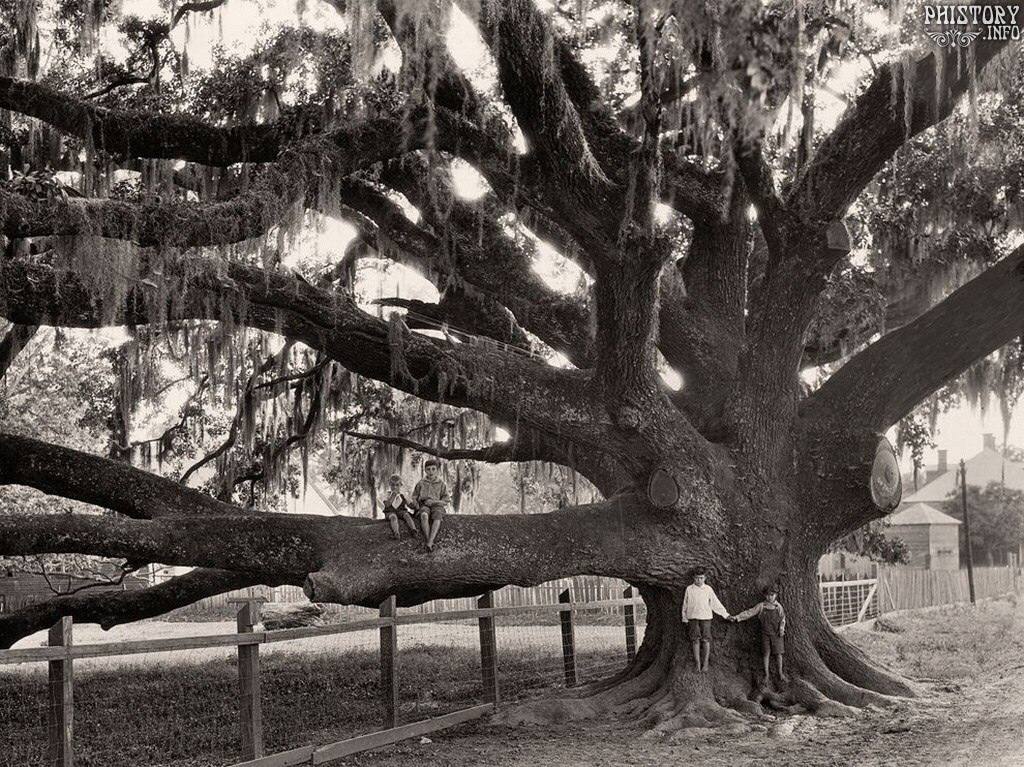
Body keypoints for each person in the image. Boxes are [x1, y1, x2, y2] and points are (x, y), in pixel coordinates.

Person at [729, 586, 787, 683]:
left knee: (779, 654)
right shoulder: (761, 606)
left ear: (776, 595)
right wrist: (737, 617)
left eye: (772, 595)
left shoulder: (778, 607)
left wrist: (782, 629)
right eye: (767, 595)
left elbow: (782, 619)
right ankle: (766, 674)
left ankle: (780, 673)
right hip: (765, 634)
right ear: (765, 595)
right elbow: (750, 612)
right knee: (766, 654)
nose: (770, 597)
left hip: (777, 634)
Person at [681, 567, 731, 672]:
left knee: (706, 640)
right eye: (697, 578)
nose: (699, 580)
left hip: (706, 618)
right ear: (693, 578)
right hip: (693, 618)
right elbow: (685, 604)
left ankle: (706, 663)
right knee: (695, 640)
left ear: (705, 578)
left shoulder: (708, 589)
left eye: (701, 578)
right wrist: (684, 618)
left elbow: (715, 603)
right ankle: (697, 663)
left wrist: (725, 614)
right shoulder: (689, 589)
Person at [411, 458, 451, 551]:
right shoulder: (421, 483)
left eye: (433, 469)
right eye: (428, 469)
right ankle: (429, 540)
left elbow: (446, 500)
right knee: (424, 515)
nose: (431, 471)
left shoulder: (441, 484)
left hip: (437, 505)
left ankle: (430, 542)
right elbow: (414, 496)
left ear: (437, 470)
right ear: (425, 470)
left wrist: (434, 502)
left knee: (437, 516)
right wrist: (416, 504)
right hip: (424, 505)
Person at [382, 473, 418, 540]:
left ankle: (413, 530)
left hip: (401, 511)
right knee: (393, 517)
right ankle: (396, 533)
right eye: (393, 485)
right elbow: (387, 505)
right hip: (390, 512)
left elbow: (409, 505)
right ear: (389, 485)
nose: (395, 487)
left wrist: (414, 505)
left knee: (407, 515)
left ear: (401, 485)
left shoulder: (403, 495)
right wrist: (393, 496)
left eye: (397, 485)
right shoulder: (387, 494)